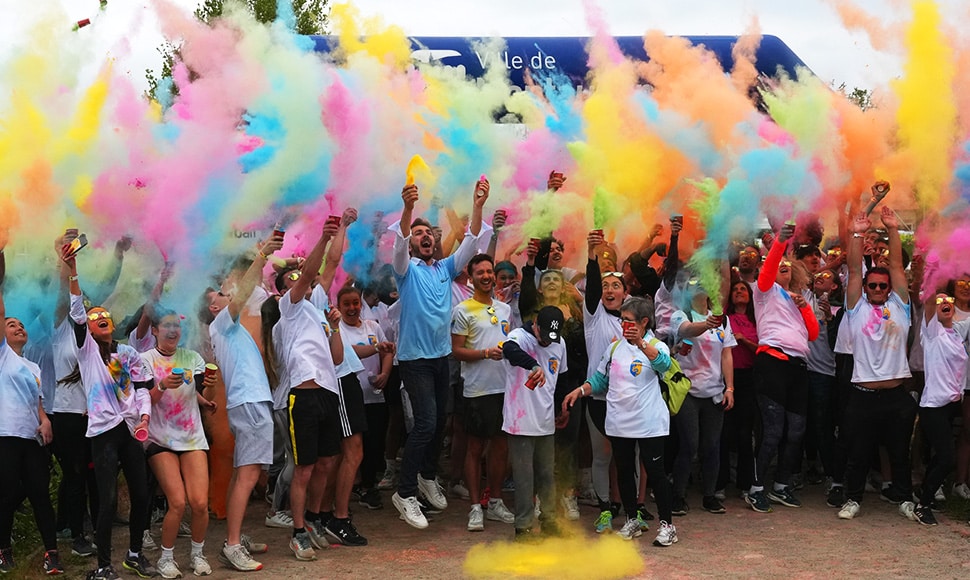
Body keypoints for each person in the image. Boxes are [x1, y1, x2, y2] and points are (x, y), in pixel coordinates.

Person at [389, 179, 487, 529]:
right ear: (413, 243)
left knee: (439, 423)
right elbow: (399, 248)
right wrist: (407, 211)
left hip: (441, 357)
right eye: (418, 234)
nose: (425, 236)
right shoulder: (406, 271)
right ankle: (404, 492)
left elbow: (471, 244)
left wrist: (477, 207)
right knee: (426, 423)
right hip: (414, 360)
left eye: (429, 232)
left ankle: (428, 476)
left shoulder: (444, 269)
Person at [66, 248, 155, 580]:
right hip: (102, 433)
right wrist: (73, 269)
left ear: (112, 322)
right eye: (94, 316)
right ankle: (103, 566)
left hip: (131, 431)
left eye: (104, 314)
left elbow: (143, 388)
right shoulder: (86, 351)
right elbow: (77, 311)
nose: (99, 316)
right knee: (106, 502)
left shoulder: (128, 353)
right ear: (88, 328)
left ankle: (134, 554)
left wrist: (144, 417)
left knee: (142, 494)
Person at [562, 296, 678, 547]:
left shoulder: (657, 345)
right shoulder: (614, 348)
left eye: (628, 321)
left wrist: (641, 344)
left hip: (650, 424)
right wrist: (579, 391)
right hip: (619, 423)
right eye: (623, 320)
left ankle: (668, 526)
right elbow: (600, 380)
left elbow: (664, 365)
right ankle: (632, 518)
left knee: (656, 474)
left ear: (644, 322)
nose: (623, 325)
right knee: (624, 472)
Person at [262, 220, 345, 560]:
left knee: (326, 463)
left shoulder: (317, 313)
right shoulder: (289, 310)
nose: (300, 281)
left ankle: (311, 519)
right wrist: (323, 237)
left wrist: (336, 327)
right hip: (302, 395)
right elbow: (312, 271)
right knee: (304, 467)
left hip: (328, 392)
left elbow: (337, 357)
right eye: (292, 280)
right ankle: (297, 533)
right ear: (283, 292)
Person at [203, 234, 282, 571]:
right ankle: (232, 545)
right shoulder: (222, 324)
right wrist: (261, 254)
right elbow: (247, 289)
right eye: (221, 294)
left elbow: (252, 290)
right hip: (248, 403)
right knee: (249, 475)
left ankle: (236, 536)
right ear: (214, 307)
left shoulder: (231, 328)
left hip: (251, 401)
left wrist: (260, 259)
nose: (228, 293)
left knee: (243, 474)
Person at [837, 205, 915, 521]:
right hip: (863, 394)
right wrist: (857, 233)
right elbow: (855, 270)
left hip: (896, 395)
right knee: (858, 453)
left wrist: (893, 228)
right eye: (875, 285)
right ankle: (852, 499)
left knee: (900, 453)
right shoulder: (856, 307)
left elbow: (896, 264)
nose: (880, 289)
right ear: (866, 289)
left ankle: (905, 498)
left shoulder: (901, 306)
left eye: (884, 285)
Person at [746, 222, 819, 513]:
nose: (783, 266)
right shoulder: (764, 290)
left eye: (789, 265)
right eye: (780, 265)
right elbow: (768, 268)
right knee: (773, 431)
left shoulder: (798, 297)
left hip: (798, 367)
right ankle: (755, 488)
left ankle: (781, 485)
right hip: (773, 362)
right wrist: (780, 242)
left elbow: (812, 334)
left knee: (796, 431)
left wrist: (804, 307)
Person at [140, 308, 218, 578]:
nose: (173, 330)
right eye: (166, 325)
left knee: (199, 503)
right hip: (159, 438)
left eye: (177, 325)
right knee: (178, 502)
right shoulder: (145, 360)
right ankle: (166, 558)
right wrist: (161, 386)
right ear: (154, 330)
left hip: (192, 437)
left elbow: (196, 390)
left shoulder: (192, 358)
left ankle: (197, 554)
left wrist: (207, 390)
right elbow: (142, 400)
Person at [0, 283, 62, 575]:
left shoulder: (32, 366)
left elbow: (37, 401)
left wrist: (45, 419)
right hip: (6, 436)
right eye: (11, 324)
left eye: (22, 325)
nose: (19, 327)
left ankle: (52, 554)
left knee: (39, 493)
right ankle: (3, 550)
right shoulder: (2, 356)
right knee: (7, 492)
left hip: (32, 437)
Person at [450, 254, 515, 532]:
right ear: (471, 276)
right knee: (475, 448)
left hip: (503, 387)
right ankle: (475, 507)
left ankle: (496, 500)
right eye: (481, 273)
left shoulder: (505, 309)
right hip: (477, 389)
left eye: (490, 271)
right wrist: (485, 353)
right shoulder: (462, 310)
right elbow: (456, 350)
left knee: (500, 447)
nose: (487, 276)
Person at [501, 306, 568, 541]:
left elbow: (562, 378)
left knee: (547, 474)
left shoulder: (559, 344)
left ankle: (549, 520)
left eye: (554, 337)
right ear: (536, 324)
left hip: (546, 420)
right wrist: (533, 365)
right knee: (524, 477)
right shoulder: (520, 337)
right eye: (544, 335)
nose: (549, 342)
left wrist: (562, 406)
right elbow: (508, 350)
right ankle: (523, 527)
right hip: (520, 422)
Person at [670, 283, 735, 515]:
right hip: (688, 390)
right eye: (693, 283)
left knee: (711, 446)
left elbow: (727, 354)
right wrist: (706, 324)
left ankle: (710, 496)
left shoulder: (723, 320)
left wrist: (730, 388)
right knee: (689, 445)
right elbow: (686, 330)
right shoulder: (680, 315)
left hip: (714, 391)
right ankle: (677, 496)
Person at [913, 292, 969, 525]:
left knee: (940, 456)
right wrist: (934, 266)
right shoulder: (931, 333)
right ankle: (923, 504)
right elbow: (928, 300)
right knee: (946, 458)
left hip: (950, 406)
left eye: (948, 301)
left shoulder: (957, 333)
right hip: (933, 406)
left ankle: (923, 491)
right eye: (939, 301)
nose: (944, 303)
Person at [337, 286, 394, 511]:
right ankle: (350, 487)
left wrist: (385, 374)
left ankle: (368, 486)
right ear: (339, 307)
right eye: (347, 304)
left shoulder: (373, 326)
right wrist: (376, 347)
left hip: (374, 396)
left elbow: (387, 351)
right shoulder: (337, 330)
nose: (352, 308)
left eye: (355, 303)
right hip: (349, 397)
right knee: (350, 447)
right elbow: (347, 352)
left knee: (373, 443)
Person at [717, 280, 758, 499]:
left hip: (749, 379)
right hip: (725, 379)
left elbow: (763, 349)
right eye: (735, 289)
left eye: (743, 289)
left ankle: (745, 484)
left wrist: (743, 340)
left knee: (745, 434)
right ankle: (719, 483)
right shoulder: (725, 318)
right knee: (723, 433)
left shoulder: (757, 320)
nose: (739, 292)